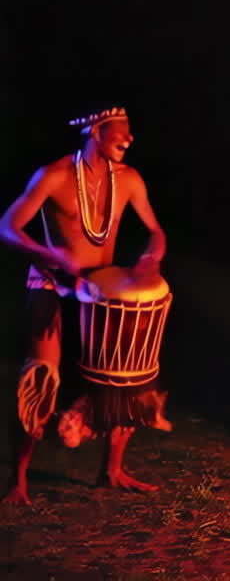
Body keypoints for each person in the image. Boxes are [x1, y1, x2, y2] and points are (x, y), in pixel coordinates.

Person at [1, 106, 170, 505]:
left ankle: (111, 472)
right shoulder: (54, 175)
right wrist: (49, 255)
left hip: (99, 286)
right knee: (40, 377)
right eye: (121, 132)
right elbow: (8, 226)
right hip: (51, 282)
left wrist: (153, 256)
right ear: (96, 132)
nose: (129, 139)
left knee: (124, 380)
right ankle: (18, 480)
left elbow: (156, 230)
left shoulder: (128, 180)